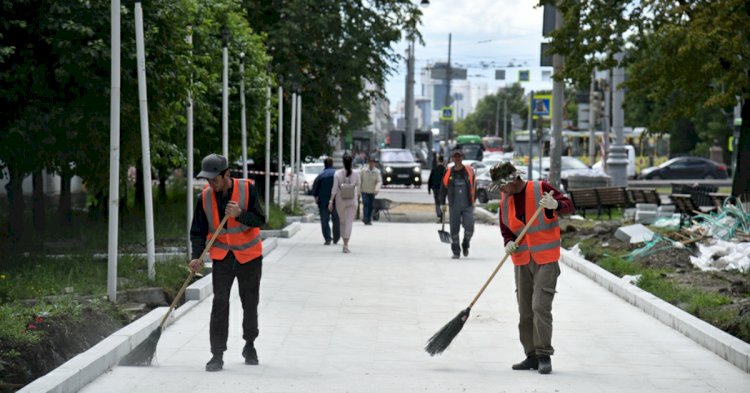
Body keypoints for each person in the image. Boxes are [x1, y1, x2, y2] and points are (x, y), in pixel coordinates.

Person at [489, 161, 574, 375]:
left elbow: (569, 204)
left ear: (513, 180)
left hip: (546, 258)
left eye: (502, 185)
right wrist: (507, 241)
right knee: (525, 311)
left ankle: (544, 354)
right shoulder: (504, 200)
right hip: (521, 260)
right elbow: (505, 228)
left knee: (539, 306)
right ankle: (531, 356)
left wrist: (556, 205)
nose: (501, 189)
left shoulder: (540, 188)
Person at [188, 154, 265, 372]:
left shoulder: (248, 189)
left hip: (249, 256)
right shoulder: (203, 198)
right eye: (208, 180)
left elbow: (260, 219)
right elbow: (198, 231)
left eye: (215, 179)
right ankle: (217, 354)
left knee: (250, 303)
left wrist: (240, 214)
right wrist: (196, 255)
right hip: (222, 257)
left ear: (227, 174)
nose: (211, 183)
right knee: (219, 303)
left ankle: (250, 344)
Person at [438, 149, 475, 259]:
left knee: (470, 227)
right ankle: (456, 251)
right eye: (455, 156)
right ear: (452, 158)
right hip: (454, 205)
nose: (457, 158)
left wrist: (474, 201)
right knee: (454, 229)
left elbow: (474, 186)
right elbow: (443, 188)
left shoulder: (469, 171)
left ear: (462, 157)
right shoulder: (448, 172)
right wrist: (442, 203)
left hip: (467, 204)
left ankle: (465, 243)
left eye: (459, 156)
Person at [329, 154, 360, 253]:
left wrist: (331, 201)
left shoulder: (337, 173)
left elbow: (334, 189)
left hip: (340, 200)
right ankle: (346, 244)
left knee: (342, 221)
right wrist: (357, 198)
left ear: (343, 162)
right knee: (349, 222)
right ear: (352, 162)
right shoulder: (356, 174)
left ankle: (344, 242)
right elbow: (358, 188)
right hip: (352, 200)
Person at [312, 157, 340, 245]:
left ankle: (328, 238)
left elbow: (315, 188)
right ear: (332, 164)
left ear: (324, 164)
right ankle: (336, 238)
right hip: (337, 200)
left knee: (324, 220)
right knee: (336, 219)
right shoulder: (338, 174)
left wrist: (316, 196)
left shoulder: (321, 175)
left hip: (323, 201)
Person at [359, 156, 382, 225]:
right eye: (370, 162)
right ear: (368, 163)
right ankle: (365, 218)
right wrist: (358, 191)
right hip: (364, 190)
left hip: (372, 191)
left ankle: (368, 219)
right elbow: (360, 180)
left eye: (373, 163)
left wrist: (377, 189)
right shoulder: (363, 171)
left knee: (370, 205)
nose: (371, 164)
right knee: (365, 203)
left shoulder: (377, 172)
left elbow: (379, 181)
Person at [427, 154, 446, 223]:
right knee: (443, 202)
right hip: (443, 188)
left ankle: (439, 214)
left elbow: (430, 179)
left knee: (437, 202)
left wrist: (429, 189)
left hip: (435, 188)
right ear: (443, 161)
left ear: (438, 161)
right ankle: (443, 215)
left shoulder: (434, 169)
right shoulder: (445, 170)